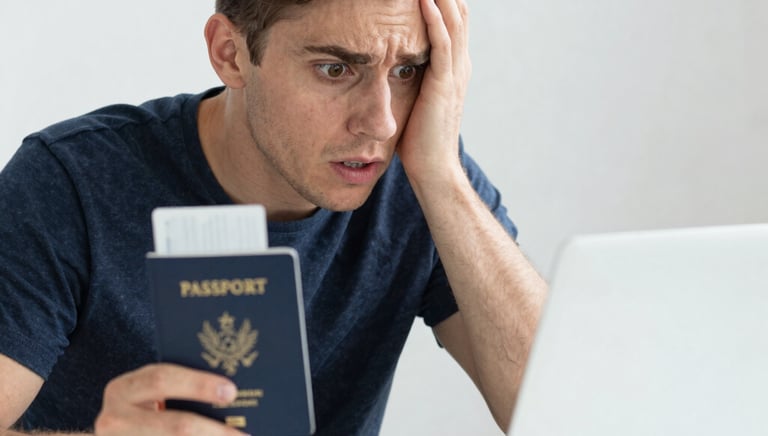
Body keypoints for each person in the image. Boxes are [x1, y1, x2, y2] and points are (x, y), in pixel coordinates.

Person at [0, 0, 547, 434]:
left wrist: (443, 178)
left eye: (407, 70)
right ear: (230, 54)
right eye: (335, 69)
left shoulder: (425, 177)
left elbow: (562, 413)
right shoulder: (69, 183)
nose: (380, 122)